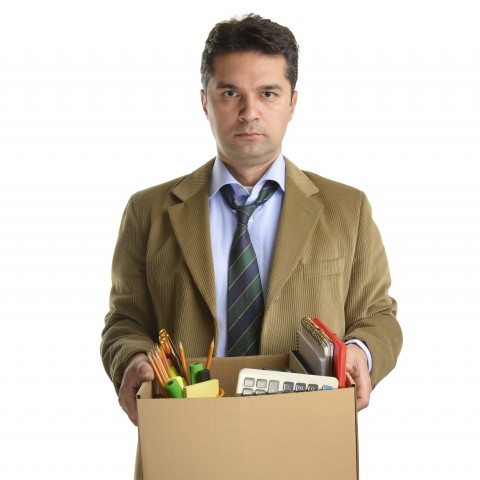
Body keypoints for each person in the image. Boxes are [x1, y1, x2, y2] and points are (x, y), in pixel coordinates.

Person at [101, 12, 402, 476]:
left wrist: (361, 352)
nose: (249, 111)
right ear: (205, 101)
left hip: (308, 446)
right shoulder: (148, 212)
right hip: (185, 447)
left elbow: (379, 315)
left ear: (292, 102)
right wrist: (135, 361)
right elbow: (125, 322)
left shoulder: (348, 209)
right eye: (230, 93)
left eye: (267, 93)